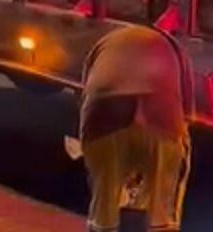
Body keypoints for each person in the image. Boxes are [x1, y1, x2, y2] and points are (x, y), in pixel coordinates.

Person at [80, 23, 192, 232]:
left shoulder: (104, 42)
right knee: (163, 194)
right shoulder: (174, 48)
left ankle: (102, 223)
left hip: (104, 115)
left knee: (104, 196)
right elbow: (186, 117)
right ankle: (163, 223)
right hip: (158, 118)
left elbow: (87, 96)